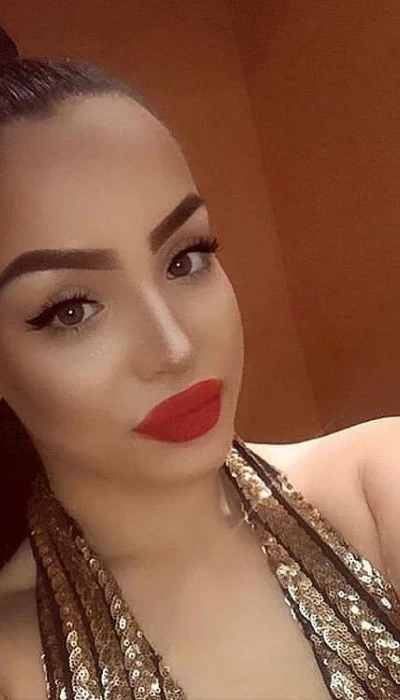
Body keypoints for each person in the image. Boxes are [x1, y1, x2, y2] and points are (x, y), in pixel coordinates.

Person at [0, 25, 399, 700]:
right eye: (71, 309)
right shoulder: (12, 663)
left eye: (185, 259)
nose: (175, 348)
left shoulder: (378, 489)